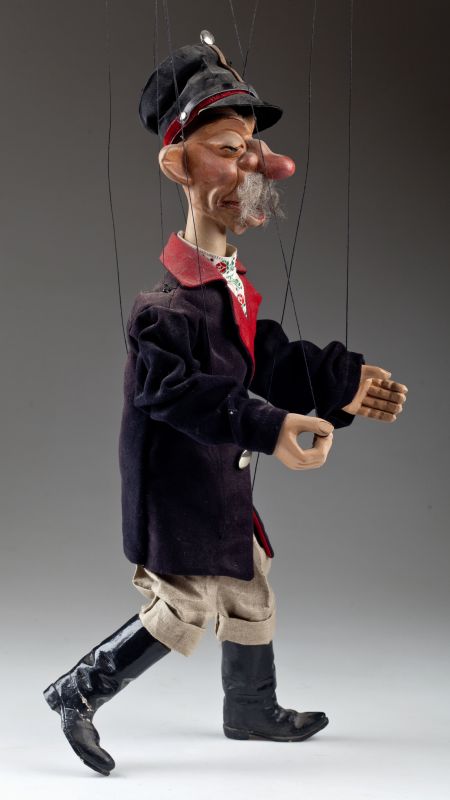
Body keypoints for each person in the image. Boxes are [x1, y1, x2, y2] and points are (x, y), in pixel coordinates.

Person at [43, 32, 408, 776]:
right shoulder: (164, 309)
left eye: (254, 149)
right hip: (179, 493)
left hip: (220, 485)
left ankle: (251, 708)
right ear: (178, 165)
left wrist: (340, 381)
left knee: (248, 588)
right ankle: (78, 690)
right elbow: (174, 391)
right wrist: (271, 426)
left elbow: (262, 356)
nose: (259, 166)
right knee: (181, 608)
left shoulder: (225, 288)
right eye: (229, 149)